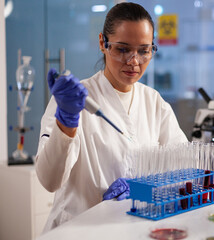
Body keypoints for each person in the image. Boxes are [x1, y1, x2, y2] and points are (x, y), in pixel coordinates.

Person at [35, 2, 188, 233]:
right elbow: (49, 181)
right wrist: (66, 123)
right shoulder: (73, 100)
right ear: (102, 43)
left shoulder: (154, 102)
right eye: (123, 49)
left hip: (134, 228)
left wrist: (142, 188)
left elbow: (183, 167)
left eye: (144, 50)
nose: (134, 61)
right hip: (78, 230)